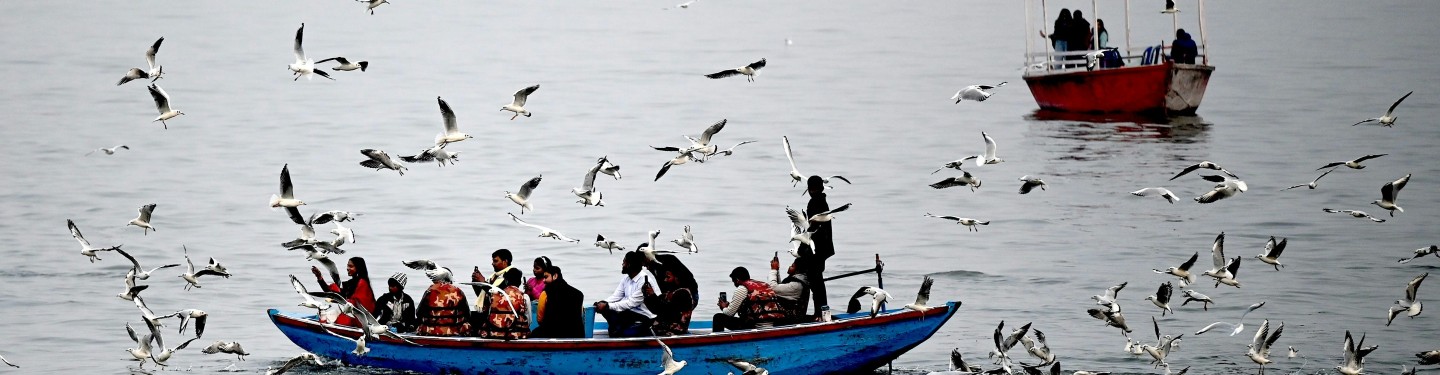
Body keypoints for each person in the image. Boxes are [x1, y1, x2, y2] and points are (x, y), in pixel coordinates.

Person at [593, 251, 657, 337]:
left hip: (645, 317)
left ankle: (620, 332)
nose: (622, 264)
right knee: (609, 310)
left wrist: (607, 306)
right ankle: (617, 330)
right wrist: (602, 303)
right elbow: (616, 296)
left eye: (624, 262)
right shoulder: (626, 279)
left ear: (629, 265)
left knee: (616, 311)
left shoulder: (644, 281)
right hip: (630, 313)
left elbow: (631, 303)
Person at [472, 249, 530, 339]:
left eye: (495, 261)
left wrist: (484, 283)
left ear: (505, 261)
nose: (492, 263)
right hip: (491, 313)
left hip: (506, 319)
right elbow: (485, 296)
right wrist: (477, 283)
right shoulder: (494, 277)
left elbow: (501, 295)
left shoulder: (513, 273)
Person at [713, 267, 789, 332]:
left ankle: (716, 342)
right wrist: (730, 306)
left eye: (734, 282)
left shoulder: (742, 288)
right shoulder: (764, 285)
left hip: (755, 325)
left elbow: (729, 313)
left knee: (718, 317)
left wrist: (723, 307)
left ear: (737, 280)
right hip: (775, 323)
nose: (734, 285)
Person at [312, 257, 376, 327]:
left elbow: (359, 303)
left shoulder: (363, 283)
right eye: (347, 266)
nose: (347, 268)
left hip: (360, 319)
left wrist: (336, 300)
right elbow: (332, 294)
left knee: (337, 320)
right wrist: (319, 278)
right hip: (350, 313)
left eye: (351, 266)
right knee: (324, 316)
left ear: (358, 268)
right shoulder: (351, 283)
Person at [803, 175, 835, 317]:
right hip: (823, 247)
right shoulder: (822, 201)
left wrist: (802, 246)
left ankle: (820, 313)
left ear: (809, 189)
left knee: (816, 282)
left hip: (817, 248)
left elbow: (813, 227)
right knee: (817, 281)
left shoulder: (814, 203)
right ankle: (822, 312)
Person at [643, 254, 697, 336]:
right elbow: (655, 309)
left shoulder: (683, 294)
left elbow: (666, 311)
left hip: (673, 332)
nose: (665, 280)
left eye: (668, 277)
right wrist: (648, 296)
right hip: (662, 329)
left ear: (677, 278)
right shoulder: (668, 293)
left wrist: (653, 295)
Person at [414, 267, 471, 336]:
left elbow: (419, 313)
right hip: (455, 331)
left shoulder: (430, 291)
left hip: (431, 331)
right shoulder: (458, 291)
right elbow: (467, 314)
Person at [531, 265, 585, 338]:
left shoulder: (545, 293)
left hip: (552, 333)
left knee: (533, 334)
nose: (543, 280)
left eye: (546, 277)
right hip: (576, 334)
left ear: (555, 276)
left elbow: (540, 319)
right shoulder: (579, 294)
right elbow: (580, 315)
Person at [767, 253, 812, 323]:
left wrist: (773, 270)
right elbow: (780, 287)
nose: (789, 267)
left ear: (797, 270)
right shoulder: (798, 281)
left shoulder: (797, 285)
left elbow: (772, 288)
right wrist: (777, 270)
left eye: (792, 266)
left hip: (790, 319)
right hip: (788, 315)